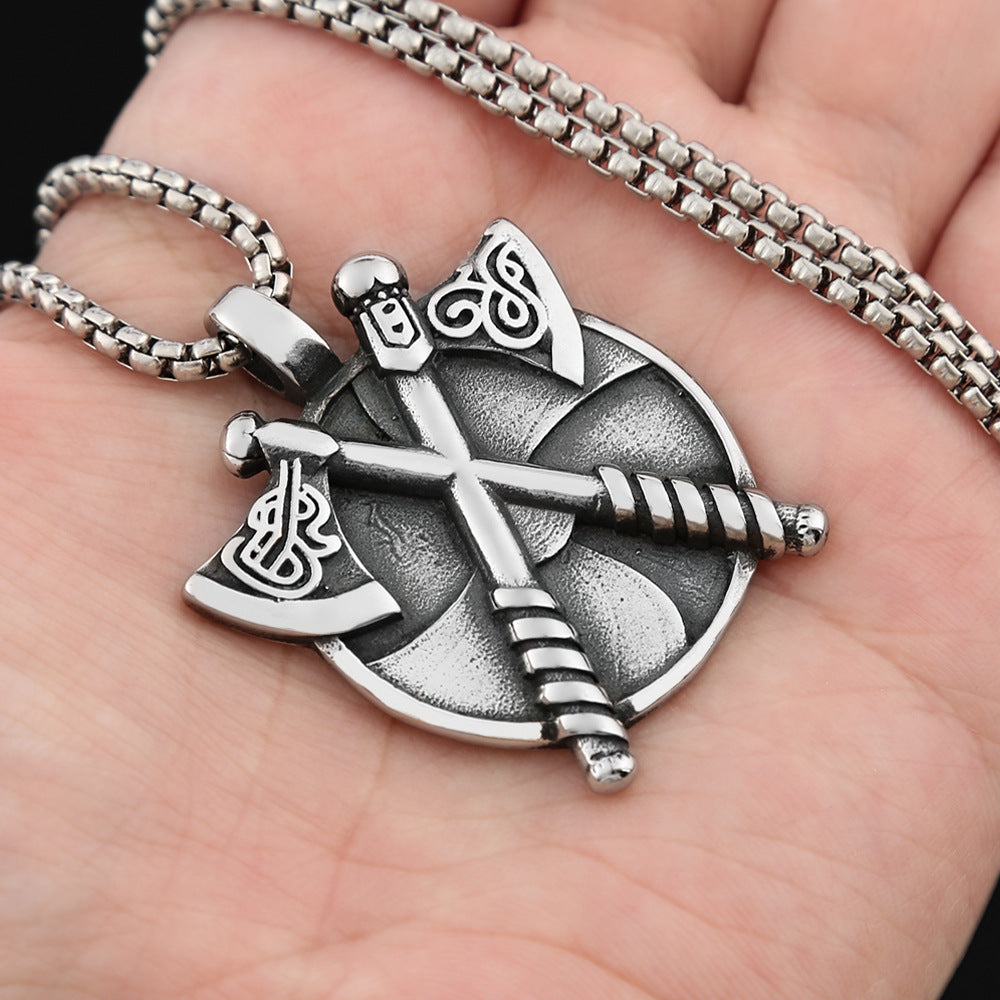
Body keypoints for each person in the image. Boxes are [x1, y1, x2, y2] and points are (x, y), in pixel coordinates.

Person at [1, 1, 997, 996]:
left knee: (502, 487)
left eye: (392, 319)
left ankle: (717, 585)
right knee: (524, 499)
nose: (393, 328)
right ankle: (760, 537)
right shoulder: (373, 386)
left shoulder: (364, 407)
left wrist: (308, 446)